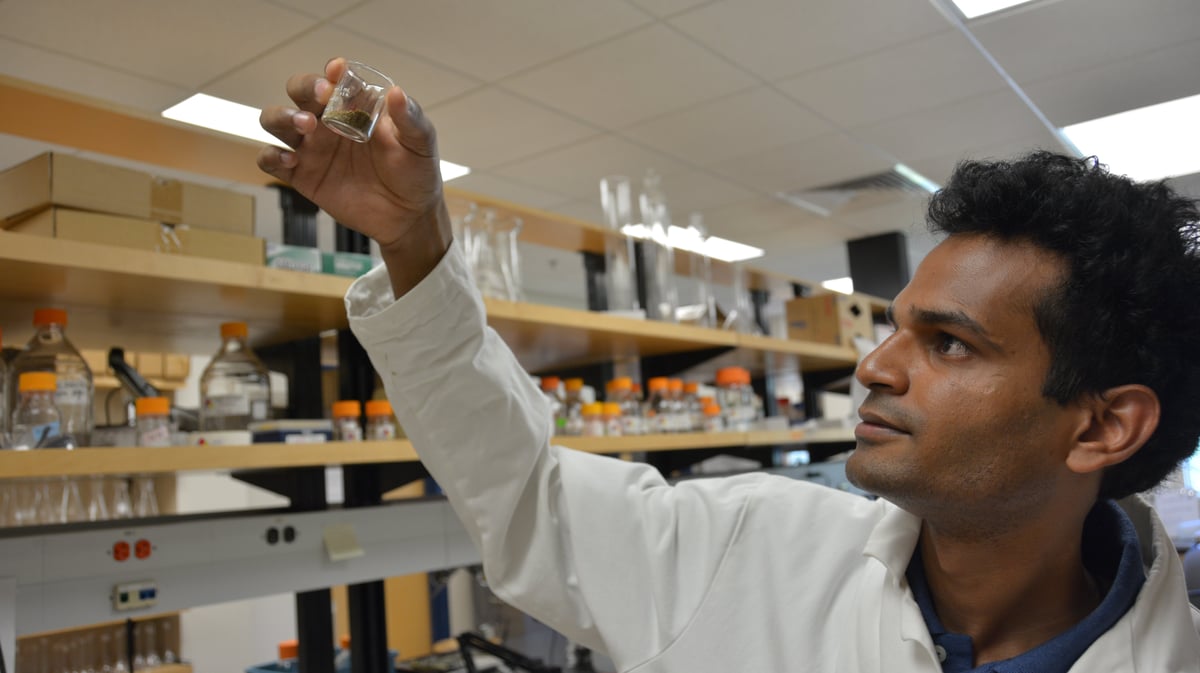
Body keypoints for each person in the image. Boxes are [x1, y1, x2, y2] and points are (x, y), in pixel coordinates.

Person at [259, 59, 1200, 672]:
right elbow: (527, 498)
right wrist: (414, 239)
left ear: (1102, 425)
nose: (875, 366)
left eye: (949, 343)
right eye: (895, 328)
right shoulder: (751, 548)